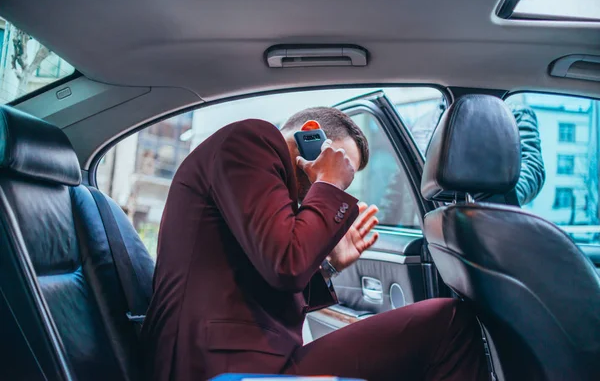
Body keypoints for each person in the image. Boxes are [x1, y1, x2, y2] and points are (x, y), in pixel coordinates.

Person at [141, 107, 488, 381]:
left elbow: (269, 277)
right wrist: (330, 185)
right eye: (338, 164)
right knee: (448, 322)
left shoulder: (267, 194)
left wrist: (328, 265)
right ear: (310, 136)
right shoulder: (251, 139)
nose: (336, 177)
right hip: (222, 367)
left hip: (252, 360)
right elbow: (286, 267)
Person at [379, 103, 545, 224]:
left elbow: (532, 169)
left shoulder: (511, 113)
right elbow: (399, 182)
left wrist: (490, 199)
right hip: (424, 231)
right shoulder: (423, 122)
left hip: (481, 230)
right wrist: (381, 224)